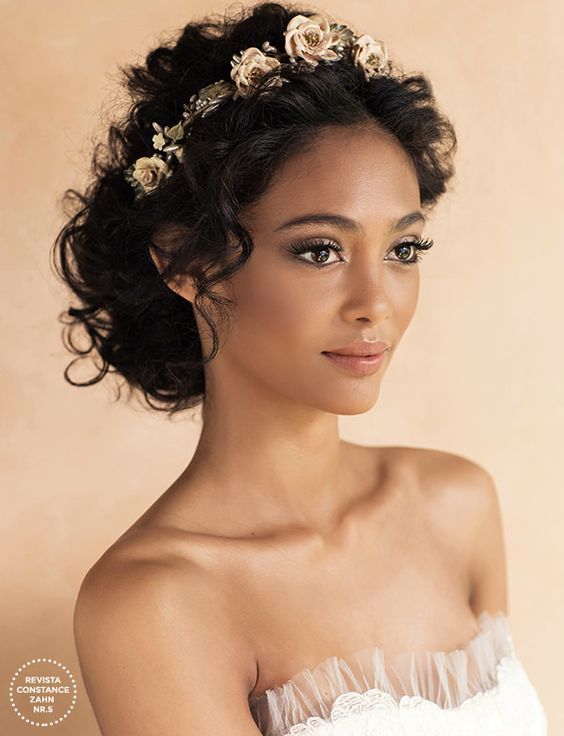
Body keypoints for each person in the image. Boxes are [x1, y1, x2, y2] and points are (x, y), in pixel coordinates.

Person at [51, 2, 548, 734]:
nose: (375, 303)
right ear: (186, 262)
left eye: (404, 250)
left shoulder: (458, 505)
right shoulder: (156, 602)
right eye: (320, 250)